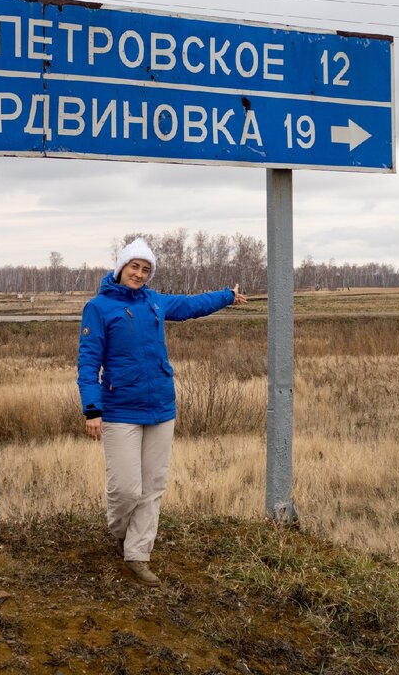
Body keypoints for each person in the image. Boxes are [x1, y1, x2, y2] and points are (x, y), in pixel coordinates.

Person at [77, 237, 247, 586]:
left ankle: (138, 554)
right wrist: (92, 409)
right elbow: (88, 361)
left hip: (161, 406)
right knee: (126, 489)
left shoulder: (154, 302)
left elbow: (189, 305)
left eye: (146, 269)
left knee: (153, 485)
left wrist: (226, 297)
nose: (139, 273)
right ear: (121, 267)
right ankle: (119, 532)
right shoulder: (99, 307)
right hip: (120, 408)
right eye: (134, 266)